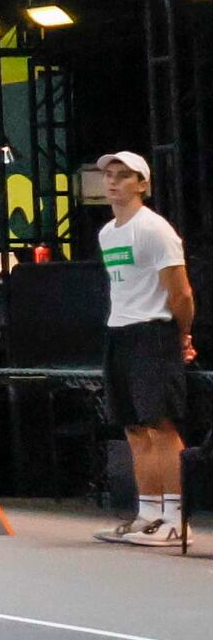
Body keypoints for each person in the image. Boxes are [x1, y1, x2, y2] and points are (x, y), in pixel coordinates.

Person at [88, 151, 194, 550]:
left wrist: (182, 334)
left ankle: (176, 520)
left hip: (154, 334)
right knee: (133, 428)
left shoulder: (155, 230)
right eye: (108, 176)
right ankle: (148, 514)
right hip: (119, 333)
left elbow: (180, 291)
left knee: (160, 427)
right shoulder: (106, 233)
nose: (113, 182)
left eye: (124, 176)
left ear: (142, 184)